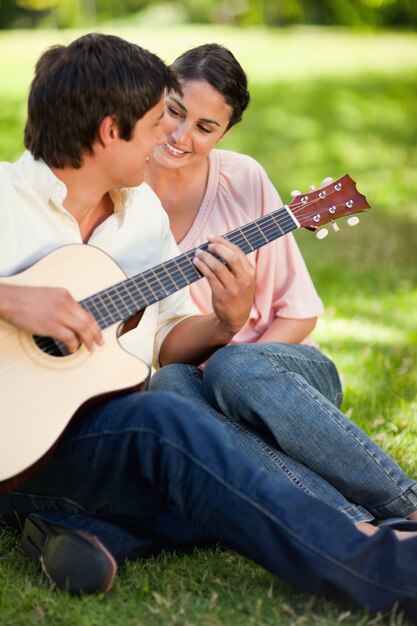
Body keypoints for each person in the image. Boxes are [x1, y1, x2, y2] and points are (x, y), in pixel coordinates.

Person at [2, 33, 417, 620]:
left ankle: (83, 530)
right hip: (14, 451)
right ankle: (390, 567)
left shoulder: (139, 214)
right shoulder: (3, 198)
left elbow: (168, 339)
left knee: (206, 460)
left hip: (85, 438)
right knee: (171, 424)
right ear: (108, 132)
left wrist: (225, 321)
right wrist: (11, 300)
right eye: (155, 123)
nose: (166, 141)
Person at [147, 43, 417, 536]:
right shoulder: (120, 187)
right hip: (193, 391)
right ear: (156, 96)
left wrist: (232, 375)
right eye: (174, 111)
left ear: (225, 133)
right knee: (166, 387)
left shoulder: (243, 179)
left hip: (282, 382)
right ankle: (360, 531)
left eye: (205, 128)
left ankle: (407, 504)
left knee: (234, 366)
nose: (181, 135)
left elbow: (299, 315)